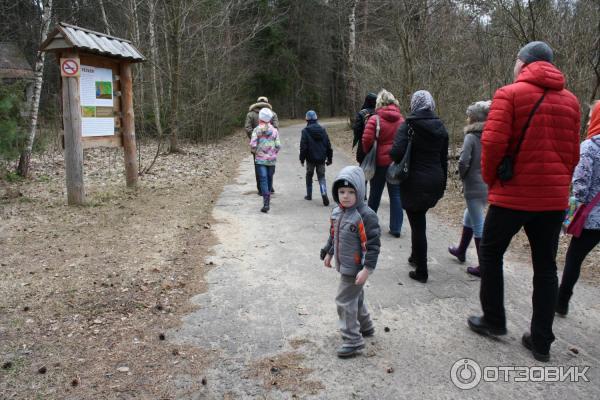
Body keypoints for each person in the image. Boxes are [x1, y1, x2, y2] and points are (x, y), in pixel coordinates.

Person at [466, 41, 581, 363]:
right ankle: (541, 341)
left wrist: (492, 181)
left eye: (516, 60)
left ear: (524, 63)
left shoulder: (509, 94)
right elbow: (573, 154)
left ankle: (494, 320)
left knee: (490, 252)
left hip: (512, 196)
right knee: (546, 267)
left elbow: (492, 144)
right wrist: (558, 183)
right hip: (553, 199)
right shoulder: (571, 101)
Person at [321, 165, 381, 358]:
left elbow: (372, 246)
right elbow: (334, 236)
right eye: (341, 192)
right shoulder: (337, 212)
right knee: (356, 297)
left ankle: (353, 340)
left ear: (360, 192)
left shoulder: (365, 216)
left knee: (344, 300)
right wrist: (329, 253)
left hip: (355, 268)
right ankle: (366, 327)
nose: (345, 196)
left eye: (350, 192)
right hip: (344, 264)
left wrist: (367, 269)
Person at [389, 90, 448, 283]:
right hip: (435, 180)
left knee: (418, 225)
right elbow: (443, 159)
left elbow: (396, 154)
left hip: (415, 181)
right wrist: (443, 183)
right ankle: (415, 256)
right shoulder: (441, 127)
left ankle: (421, 270)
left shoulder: (408, 126)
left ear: (414, 105)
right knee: (419, 220)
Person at [556, 100, 600, 316]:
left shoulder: (590, 147)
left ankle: (561, 301)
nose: (590, 121)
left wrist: (571, 211)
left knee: (574, 258)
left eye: (592, 117)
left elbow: (581, 186)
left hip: (591, 218)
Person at [448, 100, 491, 277]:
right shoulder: (490, 135)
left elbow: (463, 161)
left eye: (468, 115)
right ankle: (461, 250)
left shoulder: (471, 137)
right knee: (470, 215)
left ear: (473, 118)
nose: (466, 118)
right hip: (487, 184)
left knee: (478, 224)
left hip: (473, 184)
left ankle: (484, 266)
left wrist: (463, 175)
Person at [361, 89, 405, 237]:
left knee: (375, 193)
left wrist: (369, 151)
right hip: (395, 162)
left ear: (379, 102)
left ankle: (370, 225)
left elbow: (366, 140)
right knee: (396, 195)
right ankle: (396, 228)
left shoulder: (375, 119)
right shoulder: (401, 120)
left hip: (379, 162)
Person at [245, 96, 280, 194]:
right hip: (270, 146)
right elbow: (276, 127)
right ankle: (269, 187)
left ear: (257, 102)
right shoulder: (273, 114)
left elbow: (247, 128)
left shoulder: (250, 114)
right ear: (267, 102)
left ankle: (261, 189)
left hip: (257, 146)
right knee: (270, 165)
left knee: (258, 166)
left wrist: (255, 138)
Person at [250, 108, 281, 213]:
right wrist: (273, 153)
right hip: (271, 160)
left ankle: (266, 203)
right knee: (269, 178)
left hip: (260, 160)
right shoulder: (274, 131)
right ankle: (268, 199)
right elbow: (278, 145)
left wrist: (256, 151)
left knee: (263, 180)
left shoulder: (256, 130)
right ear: (270, 119)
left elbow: (253, 144)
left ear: (260, 118)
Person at [299, 110, 333, 206]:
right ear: (316, 118)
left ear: (307, 119)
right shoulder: (323, 130)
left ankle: (309, 195)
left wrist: (302, 159)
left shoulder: (305, 131)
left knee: (309, 175)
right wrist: (329, 158)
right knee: (321, 177)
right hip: (321, 159)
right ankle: (324, 193)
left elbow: (303, 147)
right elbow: (328, 145)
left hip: (310, 159)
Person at [352, 93, 377, 164]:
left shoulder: (361, 113)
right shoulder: (379, 112)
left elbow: (357, 131)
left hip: (364, 146)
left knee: (363, 169)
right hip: (377, 147)